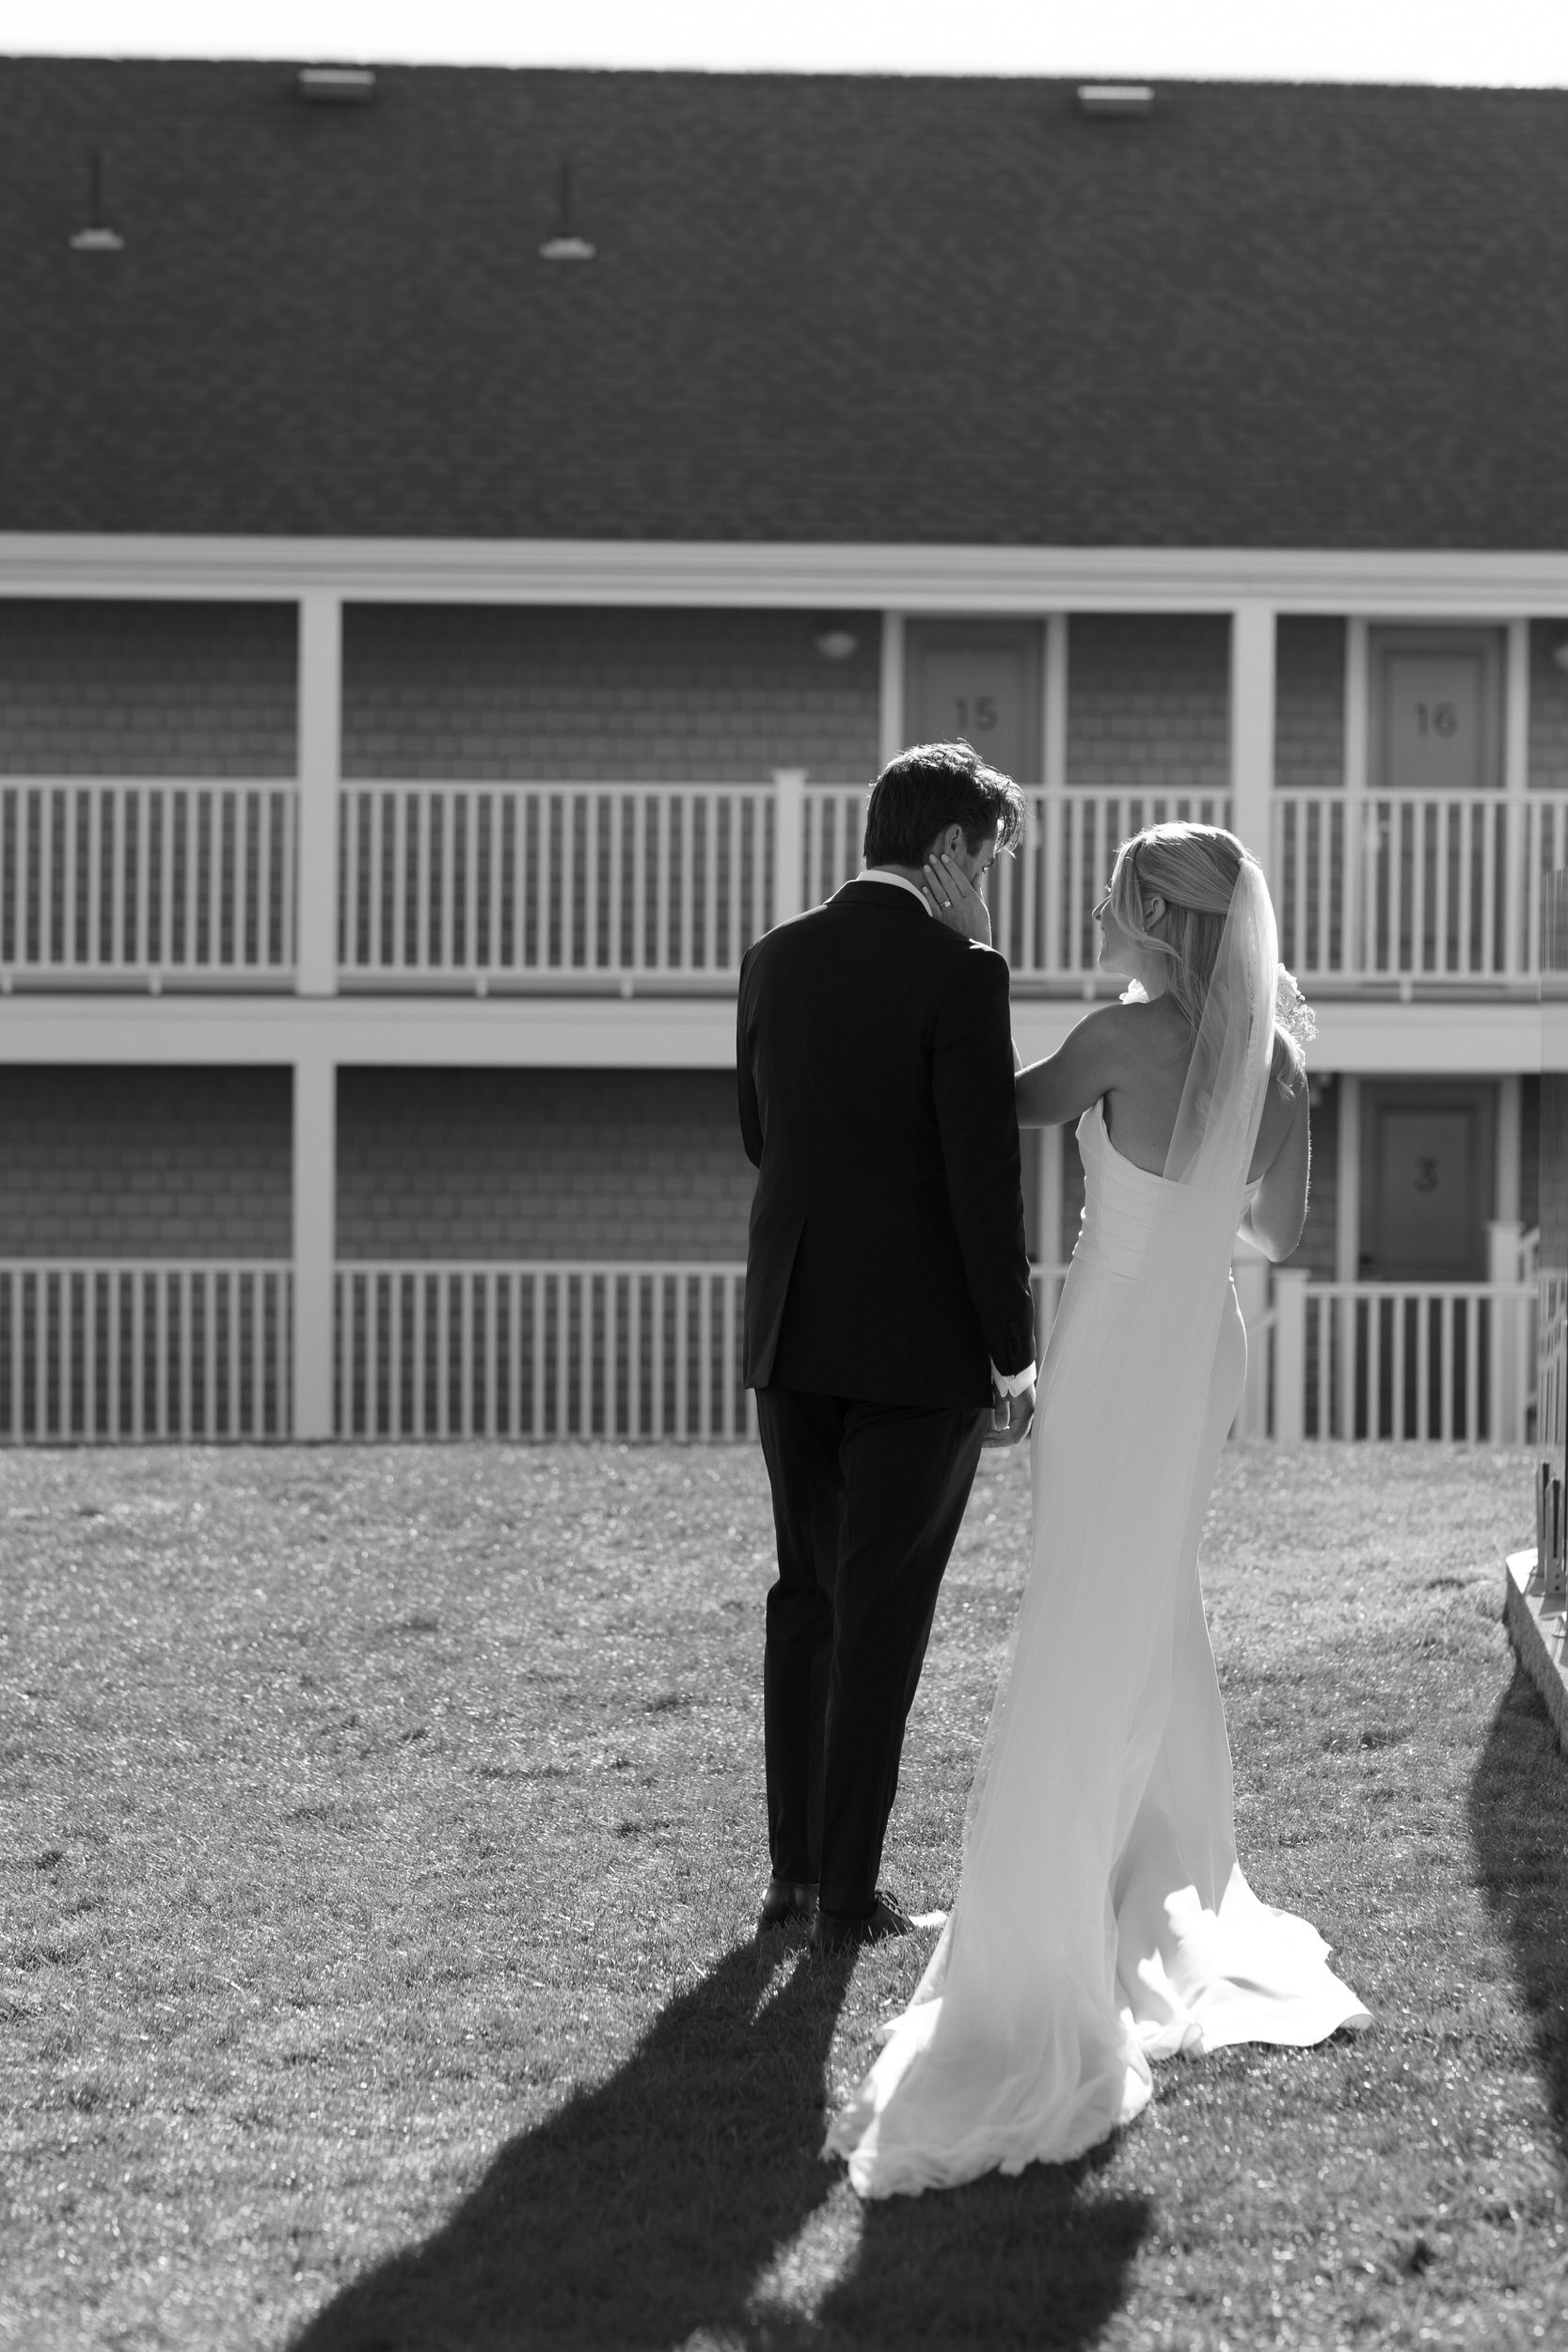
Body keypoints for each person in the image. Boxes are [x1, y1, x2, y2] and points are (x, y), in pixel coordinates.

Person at [826, 820, 1370, 2195]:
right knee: (1153, 1580)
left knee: (1090, 1591)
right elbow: (1283, 1236)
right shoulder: (1280, 1057)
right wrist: (1194, 1224)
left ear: (1158, 922)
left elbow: (992, 1104)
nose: (1095, 911)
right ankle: (1170, 1864)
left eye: (1116, 899)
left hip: (1122, 1327)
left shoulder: (1120, 1041)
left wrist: (945, 947)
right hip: (1205, 1337)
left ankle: (1072, 1896)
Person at [736, 741, 1037, 1957]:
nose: (990, 889)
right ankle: (850, 1895)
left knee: (806, 1599)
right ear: (952, 852)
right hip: (918, 1351)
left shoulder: (773, 958)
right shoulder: (963, 971)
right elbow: (984, 1183)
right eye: (990, 863)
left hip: (794, 1326)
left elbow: (759, 1134)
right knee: (881, 1616)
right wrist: (1011, 1359)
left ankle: (793, 1875)